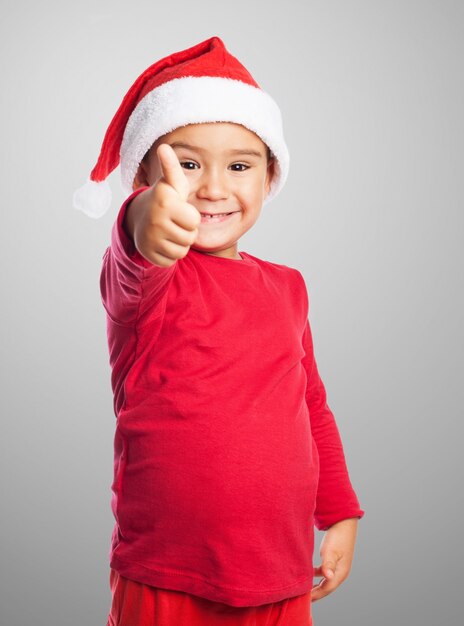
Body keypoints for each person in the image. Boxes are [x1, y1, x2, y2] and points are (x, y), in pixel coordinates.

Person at [74, 36, 365, 626]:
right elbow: (133, 250)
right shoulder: (147, 280)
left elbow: (311, 404)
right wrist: (143, 216)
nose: (211, 187)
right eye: (186, 163)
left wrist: (339, 513)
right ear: (147, 176)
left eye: (239, 165)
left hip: (277, 572)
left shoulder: (288, 287)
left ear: (270, 176)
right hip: (166, 572)